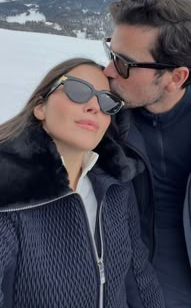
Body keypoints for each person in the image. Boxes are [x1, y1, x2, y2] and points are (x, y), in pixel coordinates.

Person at [103, 0, 191, 308]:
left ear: (175, 77)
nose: (108, 71)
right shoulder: (98, 117)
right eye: (110, 52)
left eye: (124, 64)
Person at [0, 57, 165, 308]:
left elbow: (138, 277)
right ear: (40, 107)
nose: (94, 106)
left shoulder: (116, 184)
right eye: (78, 91)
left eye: (107, 101)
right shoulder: (10, 192)